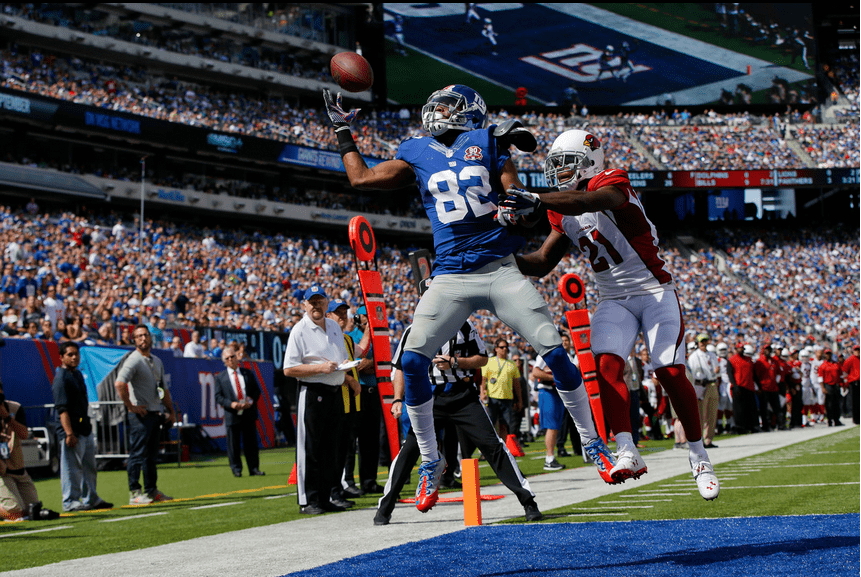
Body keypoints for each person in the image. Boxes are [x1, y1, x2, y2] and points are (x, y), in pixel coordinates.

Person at [322, 86, 615, 512]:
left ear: (469, 112)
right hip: (450, 275)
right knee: (413, 361)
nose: (437, 110)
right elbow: (361, 178)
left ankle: (593, 442)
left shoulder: (490, 140)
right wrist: (342, 129)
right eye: (435, 104)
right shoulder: (416, 150)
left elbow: (517, 195)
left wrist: (517, 208)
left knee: (554, 350)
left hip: (498, 269)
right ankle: (430, 460)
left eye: (446, 105)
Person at [509, 128, 719, 500]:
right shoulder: (560, 208)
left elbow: (588, 201)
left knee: (669, 371)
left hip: (654, 291)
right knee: (606, 366)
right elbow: (541, 262)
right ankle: (627, 449)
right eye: (556, 165)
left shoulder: (612, 182)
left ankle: (699, 456)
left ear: (590, 161)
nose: (559, 171)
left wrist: (537, 198)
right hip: (613, 298)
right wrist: (501, 260)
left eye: (567, 164)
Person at [375, 315, 542, 525]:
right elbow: (400, 367)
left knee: (492, 445)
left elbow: (482, 358)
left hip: (462, 395)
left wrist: (455, 362)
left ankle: (528, 501)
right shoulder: (412, 330)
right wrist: (397, 398)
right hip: (429, 397)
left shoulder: (463, 325)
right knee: (409, 449)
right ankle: (385, 508)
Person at [283, 286, 361, 515]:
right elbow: (289, 369)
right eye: (312, 302)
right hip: (312, 391)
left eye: (320, 301)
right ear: (304, 305)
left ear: (327, 304)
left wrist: (345, 368)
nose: (316, 306)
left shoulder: (334, 326)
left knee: (330, 448)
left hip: (334, 390)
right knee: (310, 447)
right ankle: (308, 500)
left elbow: (340, 358)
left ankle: (325, 497)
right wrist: (321, 368)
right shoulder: (299, 330)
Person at [115, 325, 176, 505]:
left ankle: (152, 490)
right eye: (139, 336)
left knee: (151, 456)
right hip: (140, 416)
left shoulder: (156, 361)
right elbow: (119, 383)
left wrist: (171, 411)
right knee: (137, 454)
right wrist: (131, 406)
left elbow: (163, 389)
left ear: (150, 338)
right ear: (134, 340)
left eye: (146, 335)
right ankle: (134, 493)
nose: (143, 338)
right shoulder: (133, 359)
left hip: (155, 413)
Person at [52, 341, 113, 511]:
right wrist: (68, 433)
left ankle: (91, 498)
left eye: (76, 354)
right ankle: (70, 501)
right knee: (71, 468)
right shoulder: (61, 379)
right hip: (71, 429)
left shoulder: (77, 374)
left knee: (89, 466)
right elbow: (62, 409)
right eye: (70, 354)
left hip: (83, 426)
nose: (74, 357)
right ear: (61, 357)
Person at [0, 379, 60, 521]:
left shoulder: (14, 408)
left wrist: (7, 417)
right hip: (1, 471)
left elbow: (23, 434)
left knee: (32, 509)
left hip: (18, 468)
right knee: (15, 512)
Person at [339, 303, 381, 496]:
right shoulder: (352, 337)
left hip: (373, 390)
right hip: (357, 390)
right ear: (359, 319)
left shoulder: (379, 338)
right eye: (367, 317)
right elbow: (358, 364)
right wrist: (370, 364)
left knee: (371, 439)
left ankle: (369, 480)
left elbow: (381, 362)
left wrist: (371, 363)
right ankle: (348, 480)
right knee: (351, 438)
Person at [215, 345, 265, 477]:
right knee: (233, 444)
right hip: (232, 414)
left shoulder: (247, 373)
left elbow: (256, 391)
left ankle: (254, 468)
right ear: (224, 361)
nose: (230, 360)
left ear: (237, 357)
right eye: (227, 358)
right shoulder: (220, 377)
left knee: (251, 443)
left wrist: (250, 401)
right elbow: (218, 397)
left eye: (232, 357)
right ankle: (236, 469)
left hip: (248, 412)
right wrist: (231, 404)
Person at [481, 339, 523, 441]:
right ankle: (489, 446)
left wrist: (520, 400)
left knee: (505, 425)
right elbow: (483, 379)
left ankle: (503, 446)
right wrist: (482, 392)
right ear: (496, 349)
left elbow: (516, 384)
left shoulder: (512, 364)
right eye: (502, 347)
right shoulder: (489, 361)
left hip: (507, 398)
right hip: (492, 397)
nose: (504, 349)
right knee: (491, 424)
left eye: (506, 347)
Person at [531, 349, 566, 471]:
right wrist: (554, 377)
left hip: (557, 392)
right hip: (548, 391)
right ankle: (549, 458)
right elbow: (535, 372)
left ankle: (551, 458)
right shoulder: (545, 354)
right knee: (551, 426)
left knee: (555, 426)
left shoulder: (563, 353)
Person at [687, 333, 720, 447]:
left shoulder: (712, 354)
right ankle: (699, 439)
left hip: (712, 383)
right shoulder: (694, 356)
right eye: (702, 341)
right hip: (701, 385)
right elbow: (694, 372)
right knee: (700, 414)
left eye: (705, 341)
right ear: (698, 343)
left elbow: (716, 369)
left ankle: (708, 438)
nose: (704, 343)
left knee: (712, 413)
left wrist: (716, 372)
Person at [729, 344, 759, 433]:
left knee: (751, 408)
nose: (740, 350)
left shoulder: (749, 360)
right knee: (739, 409)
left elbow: (754, 374)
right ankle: (740, 427)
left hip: (749, 387)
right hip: (739, 386)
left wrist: (758, 386)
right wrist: (734, 386)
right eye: (739, 348)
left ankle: (752, 426)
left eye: (742, 348)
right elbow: (730, 374)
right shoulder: (732, 360)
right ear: (736, 349)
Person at [818, 349, 843, 427]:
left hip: (836, 385)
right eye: (827, 354)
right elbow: (820, 378)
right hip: (828, 385)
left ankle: (836, 419)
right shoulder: (823, 365)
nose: (828, 355)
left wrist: (842, 385)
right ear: (825, 355)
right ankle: (829, 420)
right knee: (829, 404)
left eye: (829, 354)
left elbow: (840, 375)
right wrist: (823, 387)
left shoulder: (836, 364)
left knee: (836, 403)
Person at [842, 344, 859, 425]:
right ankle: (856, 419)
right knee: (855, 402)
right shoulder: (850, 360)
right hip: (854, 382)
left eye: (858, 350)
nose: (857, 352)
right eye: (856, 350)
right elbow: (844, 371)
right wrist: (846, 383)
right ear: (853, 351)